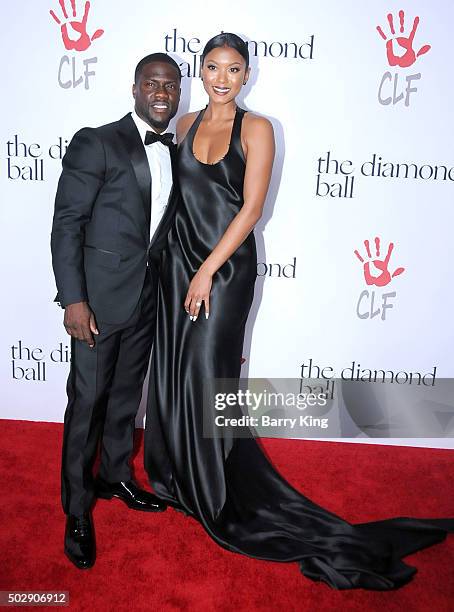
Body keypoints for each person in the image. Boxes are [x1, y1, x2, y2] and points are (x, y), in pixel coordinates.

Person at [144, 33, 454, 590]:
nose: (220, 78)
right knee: (173, 369)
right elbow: (166, 193)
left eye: (233, 69)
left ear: (246, 75)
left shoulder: (258, 129)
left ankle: (216, 488)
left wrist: (208, 270)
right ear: (201, 70)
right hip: (175, 267)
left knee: (211, 376)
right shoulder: (184, 123)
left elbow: (252, 208)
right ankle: (176, 478)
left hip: (225, 269)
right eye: (211, 67)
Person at [51, 52, 181, 569]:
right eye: (152, 83)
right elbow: (67, 225)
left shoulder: (176, 148)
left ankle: (116, 475)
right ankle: (77, 510)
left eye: (170, 85)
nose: (161, 92)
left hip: (146, 296)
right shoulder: (97, 140)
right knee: (87, 405)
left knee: (127, 395)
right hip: (98, 303)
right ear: (134, 88)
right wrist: (75, 300)